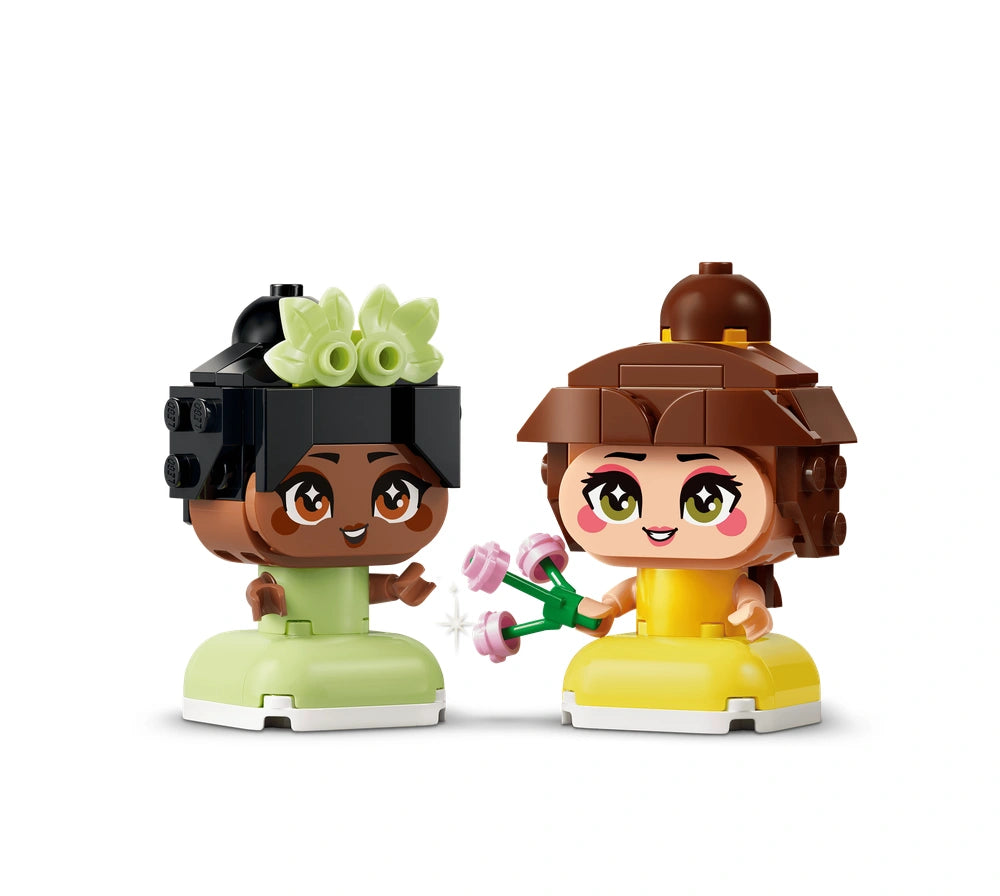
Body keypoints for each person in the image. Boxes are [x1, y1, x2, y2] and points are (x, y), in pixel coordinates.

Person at [518, 262, 854, 733]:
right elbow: (629, 595)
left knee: (740, 670)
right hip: (654, 647)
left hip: (726, 650)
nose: (659, 523)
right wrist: (604, 609)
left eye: (705, 500)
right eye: (617, 498)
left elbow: (746, 593)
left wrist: (753, 612)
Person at [164, 283, 460, 731]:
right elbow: (264, 592)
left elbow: (357, 590)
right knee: (283, 670)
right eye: (310, 499)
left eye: (393, 496)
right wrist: (263, 595)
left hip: (338, 645)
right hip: (283, 648)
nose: (355, 520)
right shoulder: (243, 480)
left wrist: (394, 587)